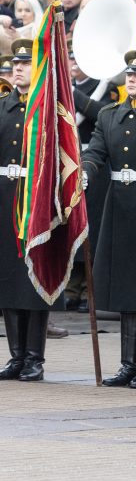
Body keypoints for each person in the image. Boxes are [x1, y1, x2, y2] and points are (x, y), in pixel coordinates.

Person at [82, 51, 136, 389]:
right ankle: (129, 363)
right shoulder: (110, 114)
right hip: (120, 204)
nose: (130, 79)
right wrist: (86, 172)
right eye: (128, 75)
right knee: (126, 285)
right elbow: (96, 151)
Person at [0, 40, 54, 382]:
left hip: (35, 199)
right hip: (5, 199)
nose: (18, 68)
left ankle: (34, 357)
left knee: (34, 280)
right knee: (7, 278)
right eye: (14, 64)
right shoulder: (3, 107)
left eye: (25, 63)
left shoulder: (48, 108)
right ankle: (16, 355)